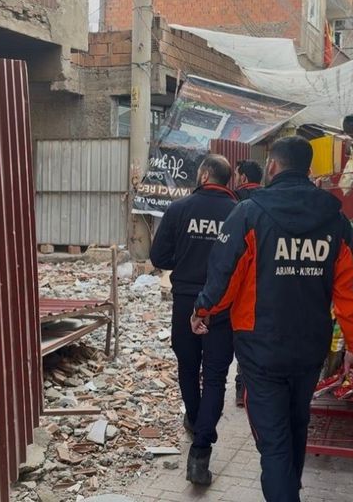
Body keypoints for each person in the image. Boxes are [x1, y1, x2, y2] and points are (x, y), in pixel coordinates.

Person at [190, 136, 353, 502]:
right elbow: (350, 291)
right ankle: (290, 487)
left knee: (273, 445)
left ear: (272, 166)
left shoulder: (250, 214)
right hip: (309, 347)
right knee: (296, 426)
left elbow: (224, 277)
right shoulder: (334, 221)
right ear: (308, 169)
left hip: (261, 350)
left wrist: (203, 310)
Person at [149, 154, 238, 486]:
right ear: (227, 180)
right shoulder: (238, 213)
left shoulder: (178, 209)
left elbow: (158, 257)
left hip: (186, 300)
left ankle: (196, 418)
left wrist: (184, 261)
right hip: (222, 305)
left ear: (203, 174)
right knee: (215, 376)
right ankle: (200, 453)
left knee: (188, 366)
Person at [232, 159, 264, 406]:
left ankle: (241, 388)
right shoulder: (269, 200)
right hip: (264, 279)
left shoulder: (235, 200)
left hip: (238, 279)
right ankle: (252, 388)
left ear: (242, 177)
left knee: (240, 333)